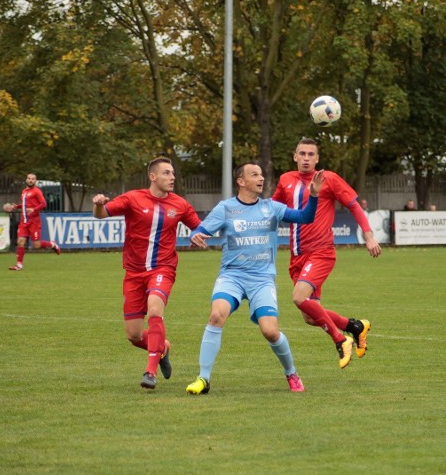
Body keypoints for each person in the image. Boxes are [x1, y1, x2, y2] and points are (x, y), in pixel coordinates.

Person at [185, 163, 325, 395]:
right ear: (240, 181)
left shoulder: (272, 208)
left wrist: (314, 194)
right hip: (232, 276)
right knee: (216, 314)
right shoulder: (226, 208)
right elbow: (198, 230)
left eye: (261, 174)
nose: (261, 178)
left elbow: (306, 217)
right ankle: (203, 378)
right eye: (255, 175)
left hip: (262, 279)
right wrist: (196, 235)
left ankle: (291, 373)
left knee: (270, 331)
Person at [93, 157, 201, 390]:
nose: (172, 177)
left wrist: (199, 234)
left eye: (173, 173)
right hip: (133, 273)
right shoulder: (133, 198)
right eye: (166, 173)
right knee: (133, 335)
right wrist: (99, 203)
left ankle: (150, 373)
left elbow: (199, 226)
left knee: (155, 309)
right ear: (153, 177)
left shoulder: (180, 204)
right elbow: (100, 215)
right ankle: (163, 347)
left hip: (163, 268)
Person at [272, 138, 381, 369]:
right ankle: (355, 327)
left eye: (311, 154)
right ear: (295, 156)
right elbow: (272, 210)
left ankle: (341, 340)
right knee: (310, 317)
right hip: (296, 257)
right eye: (302, 153)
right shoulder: (285, 181)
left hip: (321, 253)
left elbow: (353, 205)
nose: (306, 158)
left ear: (317, 158)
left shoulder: (328, 179)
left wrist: (369, 235)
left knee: (298, 297)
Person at [3, 173, 60, 271]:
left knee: (36, 245)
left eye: (33, 179)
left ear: (35, 181)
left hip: (34, 222)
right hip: (24, 221)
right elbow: (26, 204)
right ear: (26, 180)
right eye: (29, 178)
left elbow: (43, 204)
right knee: (20, 242)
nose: (31, 180)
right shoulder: (24, 191)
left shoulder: (37, 191)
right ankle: (19, 265)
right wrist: (16, 206)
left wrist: (34, 209)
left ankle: (52, 244)